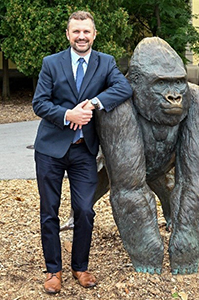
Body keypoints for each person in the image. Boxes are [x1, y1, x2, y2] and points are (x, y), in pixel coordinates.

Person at [32, 10, 132, 294]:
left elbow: (123, 87)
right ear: (68, 34)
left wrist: (96, 103)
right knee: (49, 211)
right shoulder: (51, 63)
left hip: (84, 151)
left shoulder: (106, 63)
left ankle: (80, 266)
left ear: (94, 34)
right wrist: (68, 114)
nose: (81, 36)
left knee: (85, 211)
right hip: (50, 149)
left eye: (86, 31)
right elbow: (39, 103)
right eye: (76, 31)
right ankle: (54, 271)